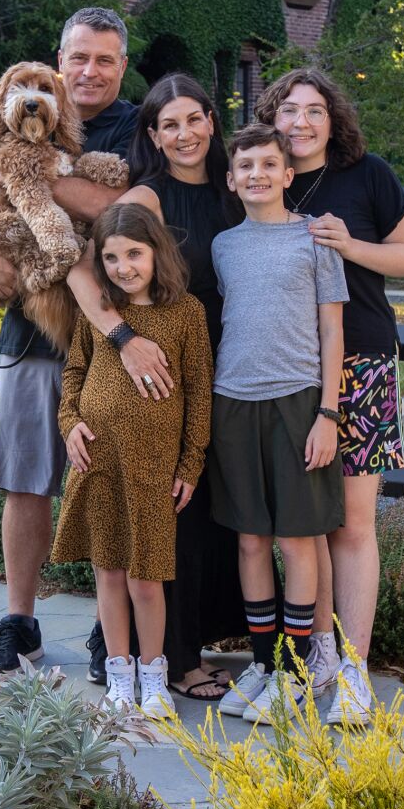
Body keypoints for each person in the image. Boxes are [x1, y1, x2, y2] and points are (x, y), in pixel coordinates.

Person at [0, 7, 139, 674]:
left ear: (122, 66)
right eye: (78, 57)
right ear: (58, 59)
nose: (89, 71)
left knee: (110, 481)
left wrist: (38, 178)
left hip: (110, 333)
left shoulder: (136, 127)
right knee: (25, 482)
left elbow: (123, 209)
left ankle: (115, 630)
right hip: (30, 331)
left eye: (104, 59)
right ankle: (20, 621)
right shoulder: (20, 107)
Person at [63, 73, 247, 701]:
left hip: (230, 365)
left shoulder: (234, 188)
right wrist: (121, 337)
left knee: (218, 515)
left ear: (211, 123)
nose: (184, 133)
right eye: (169, 124)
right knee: (178, 521)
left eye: (194, 119)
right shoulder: (150, 197)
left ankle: (185, 643)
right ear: (153, 135)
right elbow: (89, 271)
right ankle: (172, 659)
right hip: (161, 373)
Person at [258, 67, 404, 726]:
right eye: (289, 109)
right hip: (284, 370)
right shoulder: (260, 176)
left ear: (333, 119)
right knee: (303, 524)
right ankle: (316, 655)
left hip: (360, 360)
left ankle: (355, 672)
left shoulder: (368, 175)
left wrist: (348, 242)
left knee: (353, 523)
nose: (301, 121)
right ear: (271, 117)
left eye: (315, 110)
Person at [207, 124, 348, 726]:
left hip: (299, 402)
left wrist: (328, 414)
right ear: (233, 179)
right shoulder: (223, 246)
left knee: (297, 539)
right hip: (232, 400)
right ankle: (265, 666)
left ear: (289, 176)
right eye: (246, 166)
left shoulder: (315, 240)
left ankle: (294, 674)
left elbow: (332, 332)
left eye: (270, 164)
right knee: (249, 540)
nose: (257, 174)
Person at [51, 203, 213, 719]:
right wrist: (69, 423)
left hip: (152, 471)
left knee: (147, 578)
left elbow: (199, 396)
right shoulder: (97, 310)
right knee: (109, 574)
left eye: (135, 254)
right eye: (113, 257)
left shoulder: (186, 312)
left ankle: (154, 677)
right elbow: (74, 373)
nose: (124, 267)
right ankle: (118, 675)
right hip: (98, 460)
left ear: (157, 253)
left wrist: (190, 465)